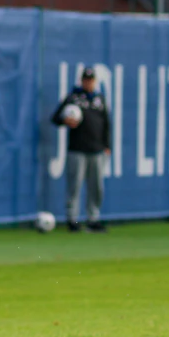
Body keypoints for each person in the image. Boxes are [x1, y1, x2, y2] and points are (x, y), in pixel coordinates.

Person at [51, 67, 110, 233]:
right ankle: (73, 220)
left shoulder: (99, 99)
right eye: (86, 80)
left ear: (95, 81)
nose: (88, 83)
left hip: (97, 149)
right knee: (75, 186)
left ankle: (93, 219)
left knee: (96, 186)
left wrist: (107, 145)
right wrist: (66, 120)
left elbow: (106, 124)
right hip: (77, 149)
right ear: (81, 80)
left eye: (91, 80)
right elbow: (55, 118)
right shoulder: (73, 98)